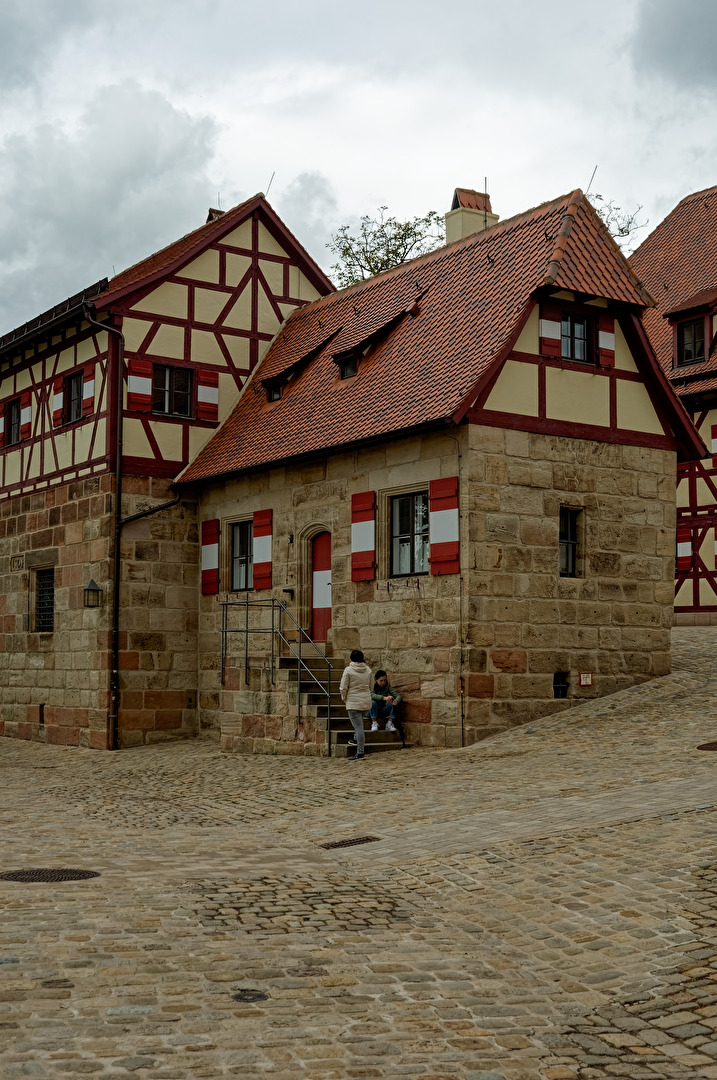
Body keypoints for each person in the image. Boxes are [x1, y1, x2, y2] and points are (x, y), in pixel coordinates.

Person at [339, 649, 372, 762]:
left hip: (353, 702)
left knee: (359, 728)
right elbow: (370, 686)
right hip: (365, 701)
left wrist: (344, 698)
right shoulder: (368, 670)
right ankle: (355, 739)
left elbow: (343, 687)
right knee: (359, 724)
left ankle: (360, 752)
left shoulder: (348, 670)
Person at [370, 670, 406, 747]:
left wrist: (397, 700)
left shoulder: (387, 686)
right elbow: (371, 695)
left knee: (394, 703)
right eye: (381, 681)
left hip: (382, 710)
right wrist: (384, 698)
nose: (383, 682)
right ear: (376, 680)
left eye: (385, 680)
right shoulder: (372, 685)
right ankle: (374, 722)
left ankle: (389, 723)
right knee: (373, 702)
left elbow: (398, 695)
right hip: (371, 711)